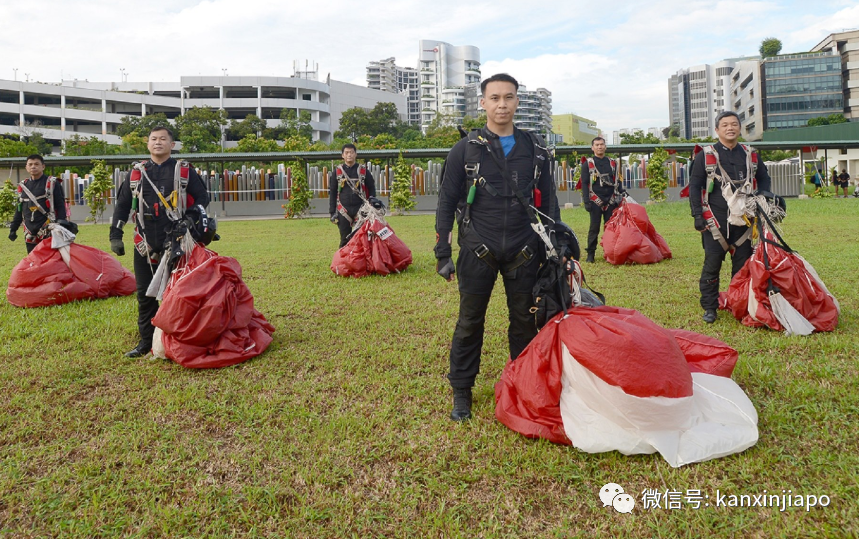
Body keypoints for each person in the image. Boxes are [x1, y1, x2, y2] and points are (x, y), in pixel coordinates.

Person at [435, 73, 569, 421]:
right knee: (469, 322)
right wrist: (443, 253)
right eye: (494, 98)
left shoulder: (534, 148)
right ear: (483, 103)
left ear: (517, 102)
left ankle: (522, 385)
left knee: (524, 323)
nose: (502, 104)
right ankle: (461, 391)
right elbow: (446, 202)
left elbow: (548, 200)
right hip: (478, 248)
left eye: (508, 97)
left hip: (525, 251)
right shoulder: (464, 149)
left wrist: (553, 244)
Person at [109, 126, 210, 358]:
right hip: (144, 243)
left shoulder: (184, 171)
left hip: (178, 243)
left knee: (181, 294)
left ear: (171, 144)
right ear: (147, 144)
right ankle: (146, 342)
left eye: (163, 139)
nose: (158, 142)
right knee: (145, 296)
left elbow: (203, 198)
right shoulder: (137, 173)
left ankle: (182, 341)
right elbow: (123, 205)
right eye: (153, 139)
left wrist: (191, 221)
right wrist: (115, 235)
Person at [689, 111, 771, 324]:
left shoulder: (750, 154)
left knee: (742, 268)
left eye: (734, 124)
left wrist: (764, 199)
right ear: (717, 130)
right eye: (725, 125)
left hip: (744, 223)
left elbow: (764, 179)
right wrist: (697, 215)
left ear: (740, 128)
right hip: (714, 223)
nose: (730, 128)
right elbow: (695, 186)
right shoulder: (705, 156)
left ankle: (738, 304)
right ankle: (709, 307)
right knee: (712, 265)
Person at [8, 154, 68, 254]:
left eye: (36, 164)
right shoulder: (23, 186)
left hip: (49, 229)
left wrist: (61, 225)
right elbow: (19, 209)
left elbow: (60, 205)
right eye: (30, 164)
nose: (33, 167)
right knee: (33, 261)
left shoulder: (52, 183)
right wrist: (13, 229)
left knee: (51, 260)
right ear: (26, 167)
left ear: (43, 166)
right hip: (30, 232)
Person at [581, 137, 626, 263]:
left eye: (602, 144)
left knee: (610, 229)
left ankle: (610, 253)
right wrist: (586, 201)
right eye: (597, 145)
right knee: (594, 228)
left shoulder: (612, 163)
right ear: (592, 147)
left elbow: (617, 180)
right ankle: (591, 254)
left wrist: (622, 193)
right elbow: (584, 183)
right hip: (595, 201)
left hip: (611, 200)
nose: (600, 147)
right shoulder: (588, 164)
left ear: (605, 146)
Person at [328, 144, 378, 248]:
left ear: (356, 154)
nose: (349, 155)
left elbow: (371, 188)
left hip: (361, 209)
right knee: (344, 239)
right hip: (343, 210)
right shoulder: (337, 172)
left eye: (351, 152)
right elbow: (332, 192)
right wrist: (332, 212)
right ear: (342, 155)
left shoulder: (364, 171)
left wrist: (371, 203)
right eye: (346, 153)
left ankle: (361, 263)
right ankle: (342, 263)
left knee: (361, 239)